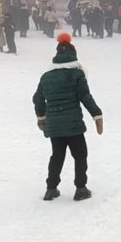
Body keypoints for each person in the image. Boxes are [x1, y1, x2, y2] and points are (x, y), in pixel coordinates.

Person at [33, 33, 104, 202]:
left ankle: (51, 189)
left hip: (55, 125)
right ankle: (80, 188)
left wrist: (41, 117)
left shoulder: (46, 76)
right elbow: (85, 97)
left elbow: (37, 98)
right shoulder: (77, 74)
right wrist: (97, 115)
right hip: (73, 125)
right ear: (74, 54)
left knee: (56, 156)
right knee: (80, 155)